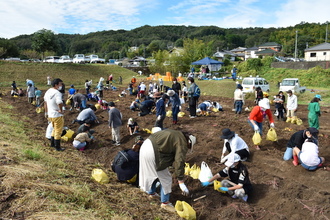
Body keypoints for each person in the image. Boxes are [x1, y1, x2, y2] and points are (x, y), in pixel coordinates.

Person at [139, 129, 196, 212]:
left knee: (154, 173)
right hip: (153, 152)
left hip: (145, 147)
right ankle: (165, 203)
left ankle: (151, 193)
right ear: (189, 142)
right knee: (166, 178)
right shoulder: (182, 142)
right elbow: (179, 161)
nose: (187, 148)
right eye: (189, 147)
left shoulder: (176, 134)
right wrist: (181, 181)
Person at [44, 78, 65, 151]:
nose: (61, 85)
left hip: (50, 114)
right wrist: (61, 110)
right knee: (58, 131)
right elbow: (59, 102)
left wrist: (46, 112)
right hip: (57, 115)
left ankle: (52, 144)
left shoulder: (48, 91)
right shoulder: (57, 93)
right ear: (56, 85)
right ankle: (58, 147)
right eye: (60, 84)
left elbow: (45, 102)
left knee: (54, 129)